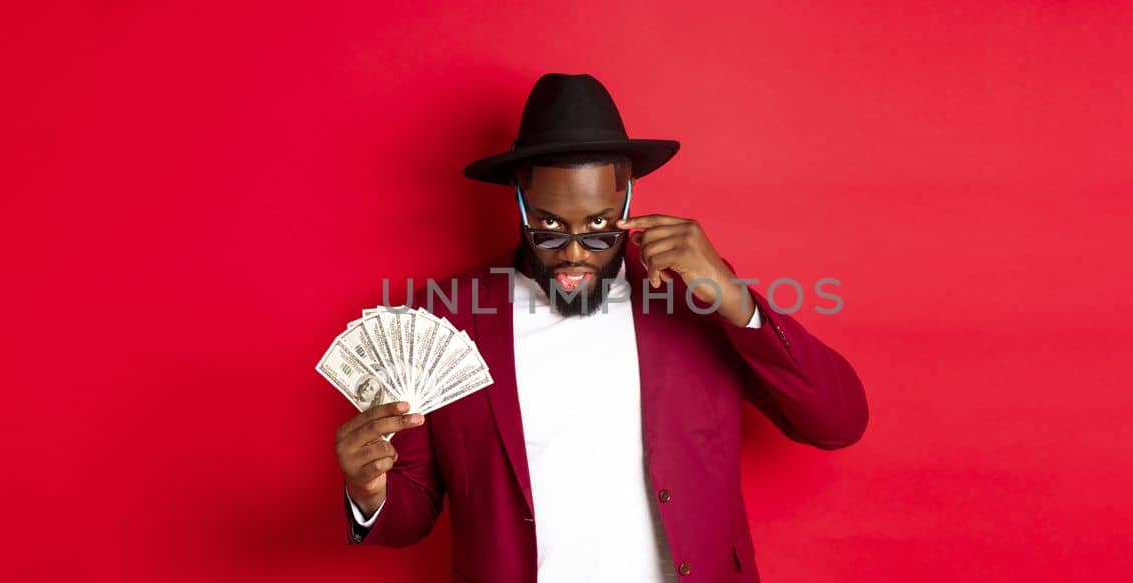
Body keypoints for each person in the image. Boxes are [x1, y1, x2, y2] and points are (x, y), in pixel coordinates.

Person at [332, 73, 868, 583]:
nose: (571, 252)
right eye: (548, 226)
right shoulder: (444, 318)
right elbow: (413, 511)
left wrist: (734, 298)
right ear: (520, 201)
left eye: (597, 227)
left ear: (628, 203)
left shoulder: (689, 295)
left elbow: (837, 422)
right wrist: (368, 490)